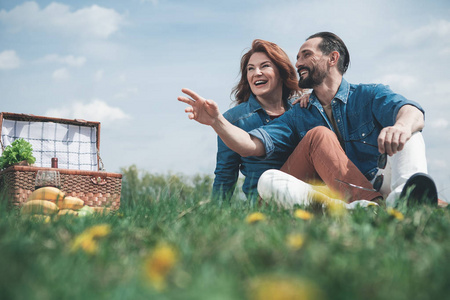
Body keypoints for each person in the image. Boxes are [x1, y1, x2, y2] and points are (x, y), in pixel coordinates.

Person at [254, 32, 436, 208]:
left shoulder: (369, 94)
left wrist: (401, 127)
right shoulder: (299, 110)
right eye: (298, 57)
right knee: (268, 180)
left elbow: (413, 112)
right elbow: (252, 143)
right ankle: (363, 209)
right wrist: (223, 122)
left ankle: (405, 198)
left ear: (333, 58)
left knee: (409, 132)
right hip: (332, 192)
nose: (298, 63)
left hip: (377, 181)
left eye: (306, 55)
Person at [212, 39, 301, 202]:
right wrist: (212, 220)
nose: (256, 73)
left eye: (264, 66)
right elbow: (225, 175)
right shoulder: (232, 120)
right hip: (264, 203)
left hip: (303, 199)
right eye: (250, 69)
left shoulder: (301, 111)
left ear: (281, 72)